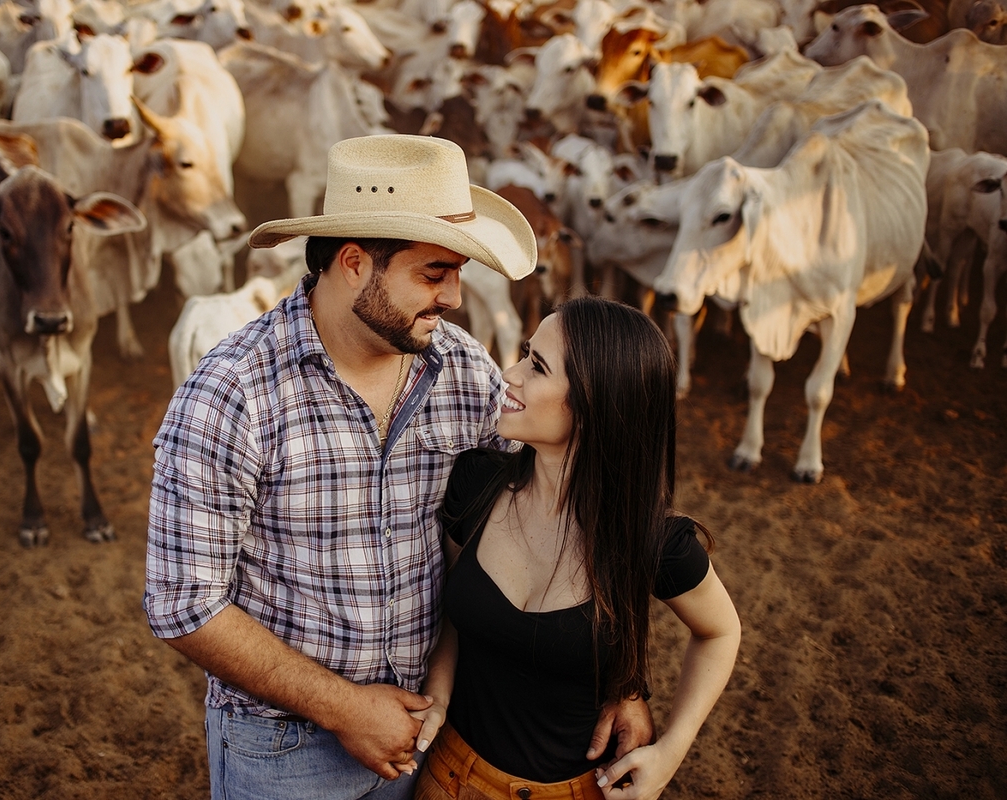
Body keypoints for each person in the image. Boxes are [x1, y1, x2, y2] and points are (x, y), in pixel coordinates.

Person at [143, 135, 655, 800]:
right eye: (434, 274)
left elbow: (555, 517)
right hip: (282, 749)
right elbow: (184, 604)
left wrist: (623, 679)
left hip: (431, 733)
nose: (453, 297)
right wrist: (343, 708)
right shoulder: (232, 394)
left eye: (458, 273)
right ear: (354, 263)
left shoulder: (466, 373)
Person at [410, 297, 743, 800]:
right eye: (525, 354)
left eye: (537, 367)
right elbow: (453, 611)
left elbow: (721, 631)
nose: (510, 374)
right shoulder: (475, 484)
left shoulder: (653, 540)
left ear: (596, 403)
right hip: (447, 777)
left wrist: (671, 751)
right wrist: (437, 691)